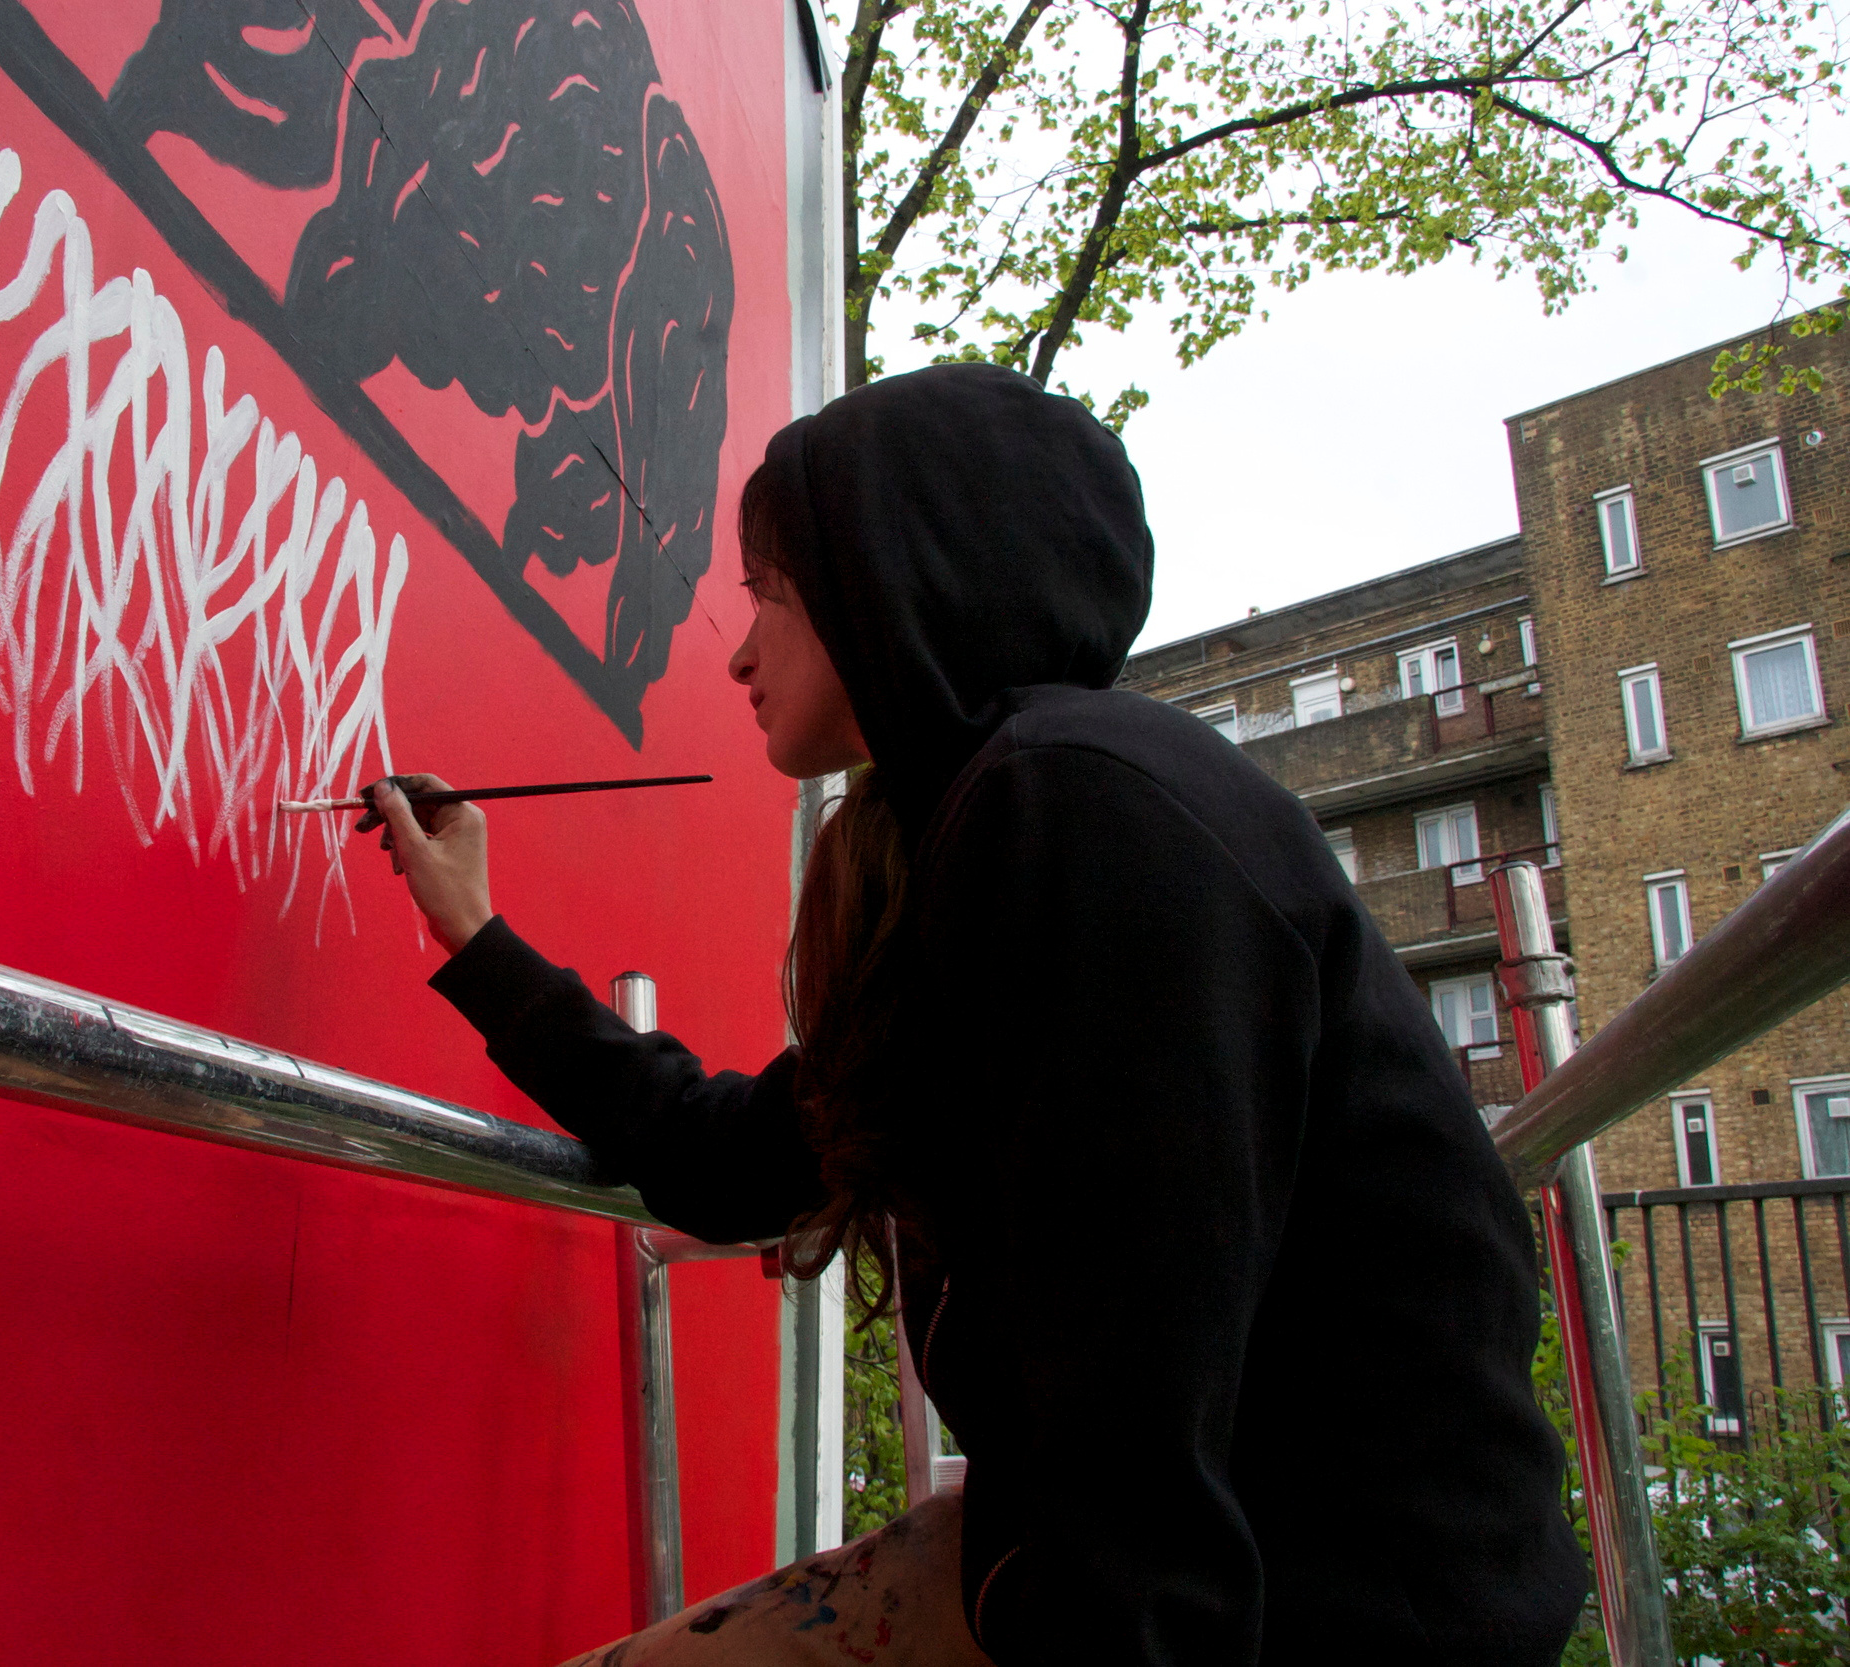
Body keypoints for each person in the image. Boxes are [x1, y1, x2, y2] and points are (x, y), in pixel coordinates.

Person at [360, 364, 1586, 1665]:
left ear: (896, 585)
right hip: (1103, 1564)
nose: (736, 646)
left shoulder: (1086, 814)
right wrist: (476, 937)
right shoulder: (987, 835)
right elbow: (729, 1162)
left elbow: (1141, 1403)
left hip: (1313, 1613)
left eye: (769, 592)